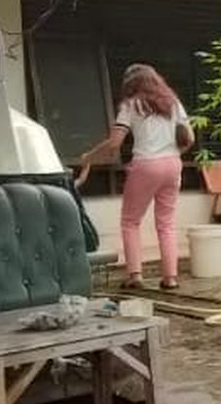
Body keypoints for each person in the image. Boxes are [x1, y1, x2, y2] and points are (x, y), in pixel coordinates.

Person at [76, 64, 193, 290]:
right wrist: (171, 155)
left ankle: (135, 276)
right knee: (166, 223)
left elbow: (115, 143)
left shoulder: (131, 105)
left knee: (130, 222)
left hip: (146, 165)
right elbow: (189, 139)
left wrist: (88, 156)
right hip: (173, 164)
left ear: (131, 84)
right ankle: (170, 278)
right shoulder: (173, 104)